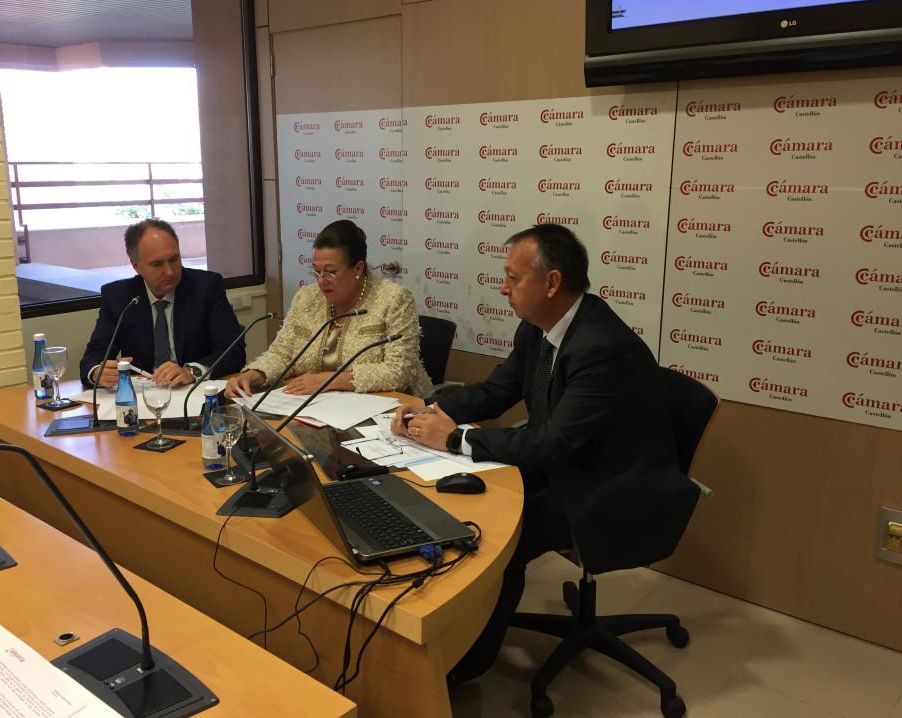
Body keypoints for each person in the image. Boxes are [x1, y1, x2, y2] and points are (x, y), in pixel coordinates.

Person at [391, 224, 697, 682]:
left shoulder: (603, 347)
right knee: (468, 496)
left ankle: (468, 666)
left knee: (498, 539)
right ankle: (449, 641)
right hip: (566, 464)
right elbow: (497, 391)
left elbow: (552, 442)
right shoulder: (539, 328)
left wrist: (454, 439)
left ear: (552, 283)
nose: (503, 287)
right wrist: (427, 411)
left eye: (513, 278)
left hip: (610, 486)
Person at [226, 220, 431, 398]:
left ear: (358, 268)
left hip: (389, 409)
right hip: (318, 407)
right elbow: (282, 353)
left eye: (330, 272)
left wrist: (330, 380)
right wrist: (254, 375)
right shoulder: (307, 298)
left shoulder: (393, 300)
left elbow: (399, 371)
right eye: (316, 272)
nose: (321, 281)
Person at [79, 219, 246, 389]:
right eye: (157, 264)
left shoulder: (206, 287)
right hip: (144, 394)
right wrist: (97, 372)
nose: (170, 271)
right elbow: (94, 355)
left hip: (194, 392)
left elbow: (233, 351)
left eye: (174, 259)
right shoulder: (119, 296)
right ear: (136, 266)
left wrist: (191, 371)